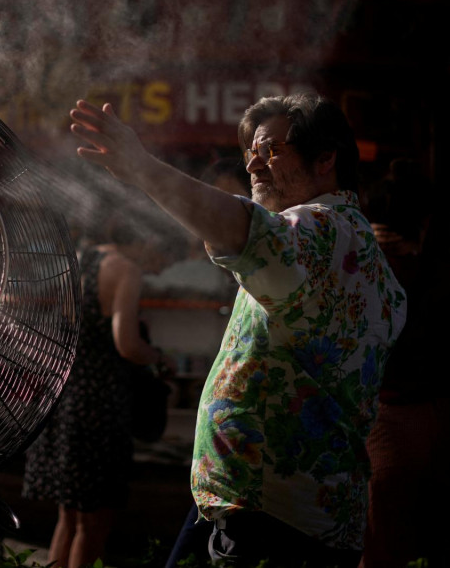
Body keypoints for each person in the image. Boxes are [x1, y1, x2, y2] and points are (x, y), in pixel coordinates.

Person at [69, 94, 407, 568]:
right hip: (274, 508)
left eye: (270, 149)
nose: (252, 162)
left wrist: (141, 168)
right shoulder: (356, 247)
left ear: (326, 158)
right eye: (251, 148)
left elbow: (242, 230)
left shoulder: (322, 229)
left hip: (272, 523)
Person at [22, 217, 177, 568]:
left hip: (63, 397)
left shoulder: (82, 258)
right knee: (94, 523)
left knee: (70, 517)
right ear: (147, 241)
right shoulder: (125, 270)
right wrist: (160, 359)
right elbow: (127, 345)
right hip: (99, 406)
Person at [358, 159, 450, 568]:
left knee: (380, 550)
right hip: (447, 434)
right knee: (444, 545)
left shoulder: (355, 278)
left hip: (382, 434)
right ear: (425, 222)